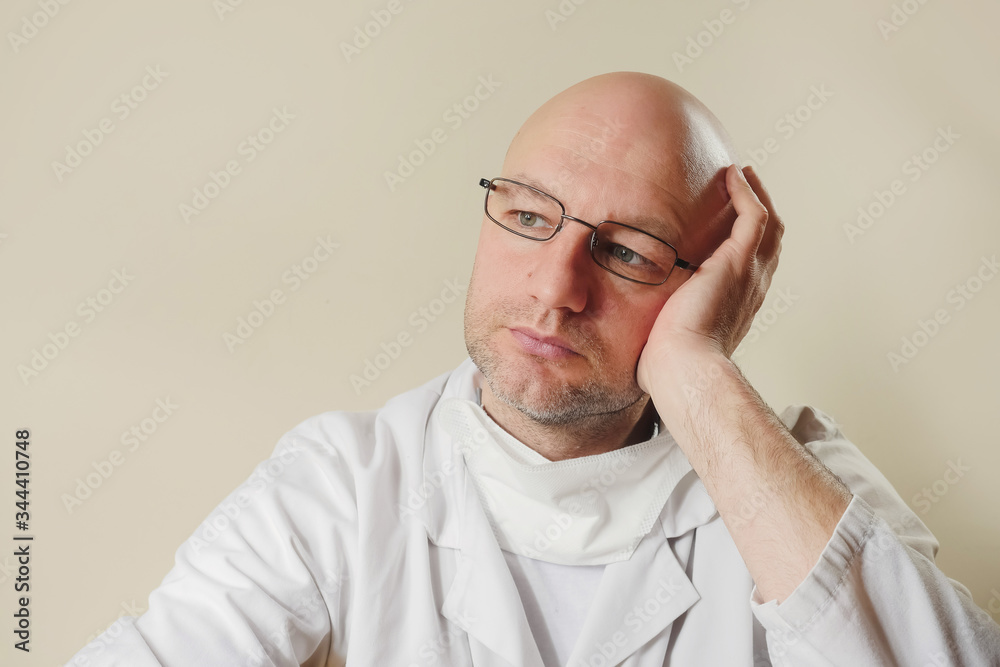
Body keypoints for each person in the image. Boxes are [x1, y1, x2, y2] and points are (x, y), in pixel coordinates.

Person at [68, 72, 1000, 666]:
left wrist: (696, 368)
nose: (556, 288)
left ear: (715, 285)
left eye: (629, 250)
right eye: (526, 217)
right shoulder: (344, 485)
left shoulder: (796, 474)